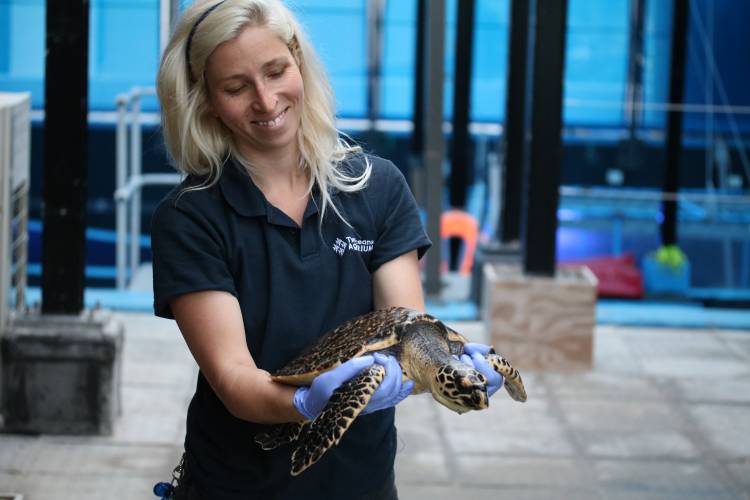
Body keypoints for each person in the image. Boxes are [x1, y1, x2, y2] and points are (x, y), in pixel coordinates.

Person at [150, 1, 502, 498]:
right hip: (237, 483)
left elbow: (406, 328)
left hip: (362, 481)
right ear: (204, 99)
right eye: (236, 87)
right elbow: (233, 378)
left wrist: (447, 365)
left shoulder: (379, 188)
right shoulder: (190, 217)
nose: (266, 100)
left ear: (298, 61)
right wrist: (307, 404)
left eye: (276, 71)